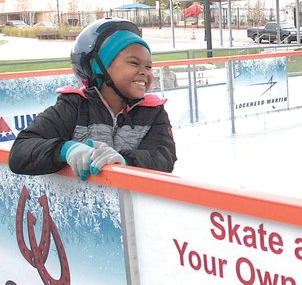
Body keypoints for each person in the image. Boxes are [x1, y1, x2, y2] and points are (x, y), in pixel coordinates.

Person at [9, 18, 177, 179]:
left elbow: (164, 158)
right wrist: (65, 150)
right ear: (101, 67)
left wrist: (124, 161)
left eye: (148, 66)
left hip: (133, 206)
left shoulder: (153, 112)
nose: (145, 72)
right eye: (134, 63)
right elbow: (20, 152)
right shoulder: (74, 106)